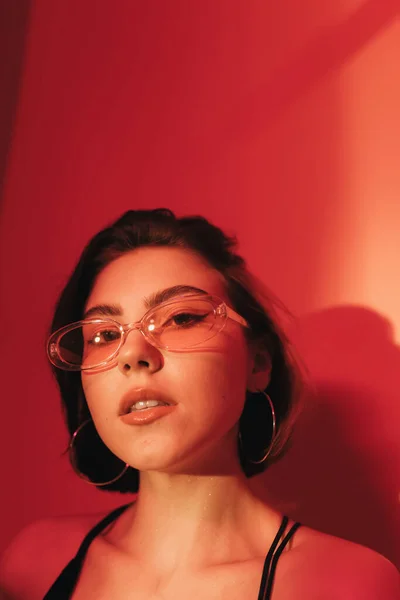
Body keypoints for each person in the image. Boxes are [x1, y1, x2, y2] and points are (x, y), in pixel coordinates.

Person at [0, 209, 398, 600]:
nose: (132, 354)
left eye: (182, 318)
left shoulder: (347, 585)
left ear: (257, 363)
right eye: (103, 335)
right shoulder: (33, 565)